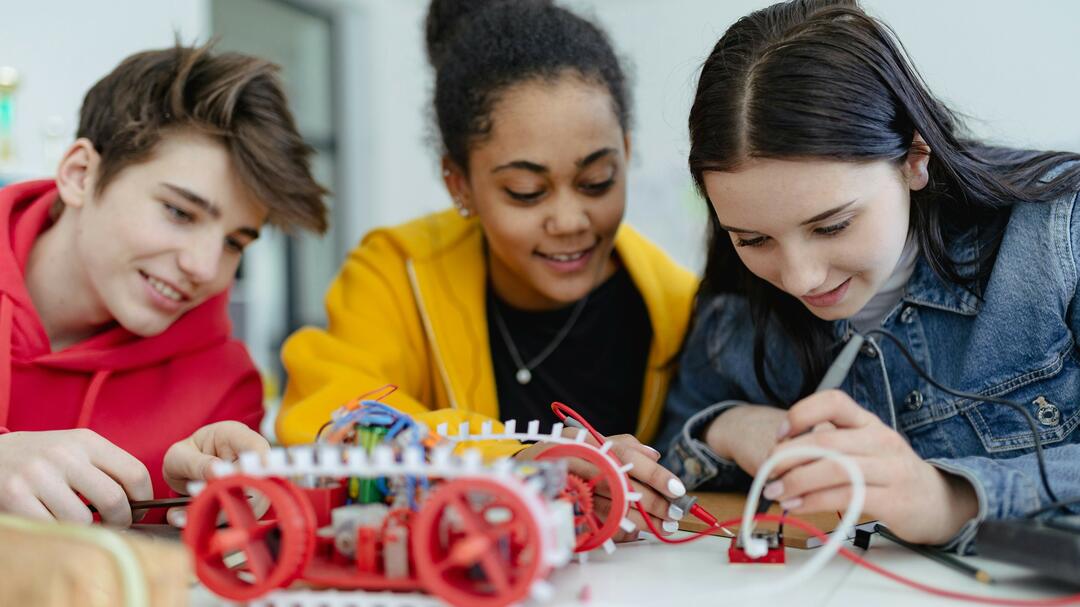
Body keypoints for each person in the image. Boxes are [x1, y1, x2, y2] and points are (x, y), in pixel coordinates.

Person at [658, 0, 1080, 552]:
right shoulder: (737, 305)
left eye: (832, 226)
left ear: (914, 157)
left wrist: (949, 500)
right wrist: (730, 427)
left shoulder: (1056, 233)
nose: (801, 278)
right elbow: (669, 460)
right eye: (753, 239)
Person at [279, 0, 697, 536]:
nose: (569, 220)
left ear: (626, 151)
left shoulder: (678, 304)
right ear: (459, 183)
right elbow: (330, 414)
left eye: (597, 180)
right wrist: (516, 458)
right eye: (525, 192)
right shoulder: (395, 273)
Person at [0, 43, 328, 526]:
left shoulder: (224, 390)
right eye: (179, 212)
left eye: (235, 242)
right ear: (80, 174)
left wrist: (225, 521)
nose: (204, 267)